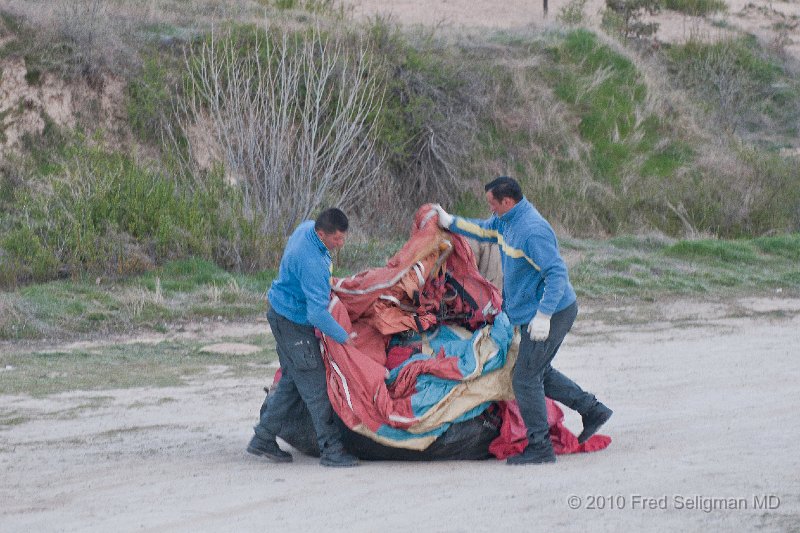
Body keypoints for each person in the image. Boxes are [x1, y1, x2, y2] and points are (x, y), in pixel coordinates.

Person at [433, 177, 612, 465]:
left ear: (507, 201)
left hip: (552, 312)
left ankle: (540, 447)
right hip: (533, 313)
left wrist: (543, 316)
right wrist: (449, 221)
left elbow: (557, 274)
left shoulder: (532, 230)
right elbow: (482, 229)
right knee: (538, 371)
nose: (489, 207)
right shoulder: (505, 221)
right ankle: (593, 410)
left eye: (492, 202)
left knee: (525, 378)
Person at [247, 208, 359, 468]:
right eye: (337, 239)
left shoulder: (305, 228)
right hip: (294, 325)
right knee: (316, 387)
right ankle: (331, 450)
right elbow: (317, 314)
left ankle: (262, 437)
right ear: (322, 233)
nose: (340, 244)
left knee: (292, 381)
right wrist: (344, 337)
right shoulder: (313, 263)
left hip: (279, 311)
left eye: (343, 238)